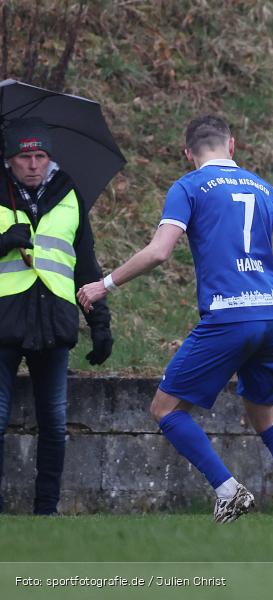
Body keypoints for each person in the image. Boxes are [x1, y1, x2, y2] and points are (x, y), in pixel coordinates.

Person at [78, 115, 273, 525]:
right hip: (269, 315)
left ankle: (228, 490)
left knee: (164, 410)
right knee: (267, 416)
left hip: (229, 316)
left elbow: (159, 252)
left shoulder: (189, 187)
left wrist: (105, 283)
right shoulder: (264, 188)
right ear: (233, 146)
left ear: (187, 153)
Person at [0, 117, 113, 515]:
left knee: (54, 425)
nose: (33, 164)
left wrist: (99, 323)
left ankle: (45, 511)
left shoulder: (70, 195)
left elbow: (85, 265)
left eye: (41, 156)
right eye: (24, 156)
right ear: (9, 159)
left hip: (54, 323)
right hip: (3, 322)